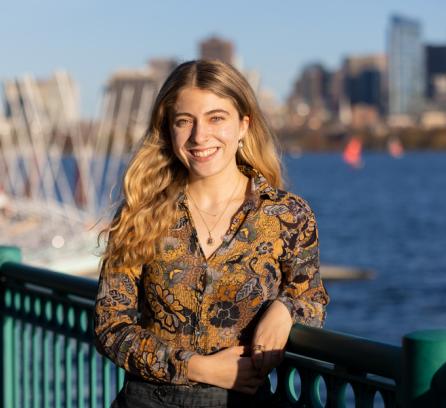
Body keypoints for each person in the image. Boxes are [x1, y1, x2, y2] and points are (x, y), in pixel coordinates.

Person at [94, 59, 329, 407]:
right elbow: (110, 327)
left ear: (243, 125)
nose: (199, 136)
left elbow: (312, 298)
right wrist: (199, 368)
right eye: (184, 121)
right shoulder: (140, 213)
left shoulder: (287, 215)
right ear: (169, 130)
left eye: (216, 117)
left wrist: (286, 308)